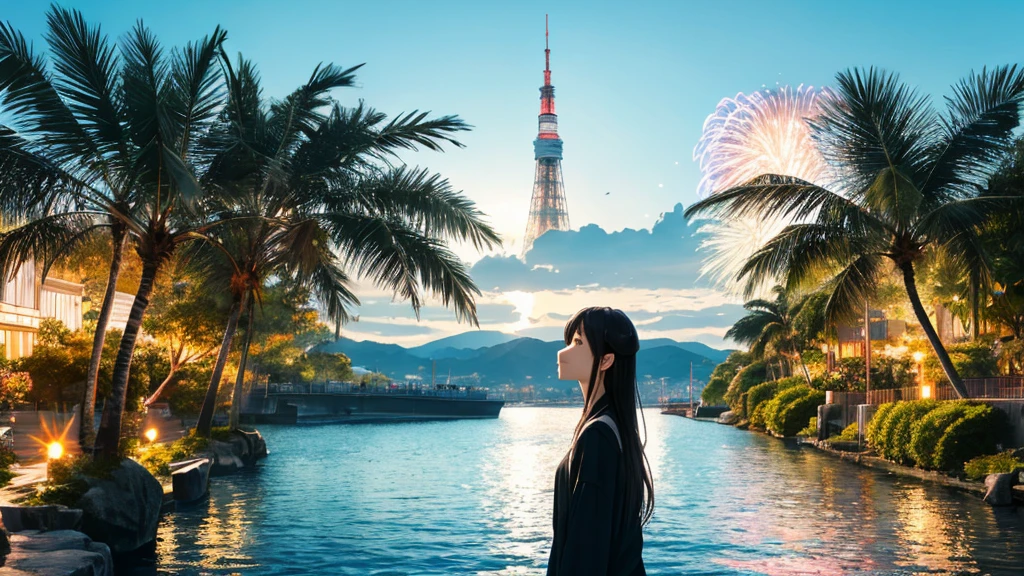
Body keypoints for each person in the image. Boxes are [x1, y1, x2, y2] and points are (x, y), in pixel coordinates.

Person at [547, 307, 653, 575]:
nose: (564, 352)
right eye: (569, 342)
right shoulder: (613, 426)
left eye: (578, 343)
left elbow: (586, 551)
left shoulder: (598, 435)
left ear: (605, 360)